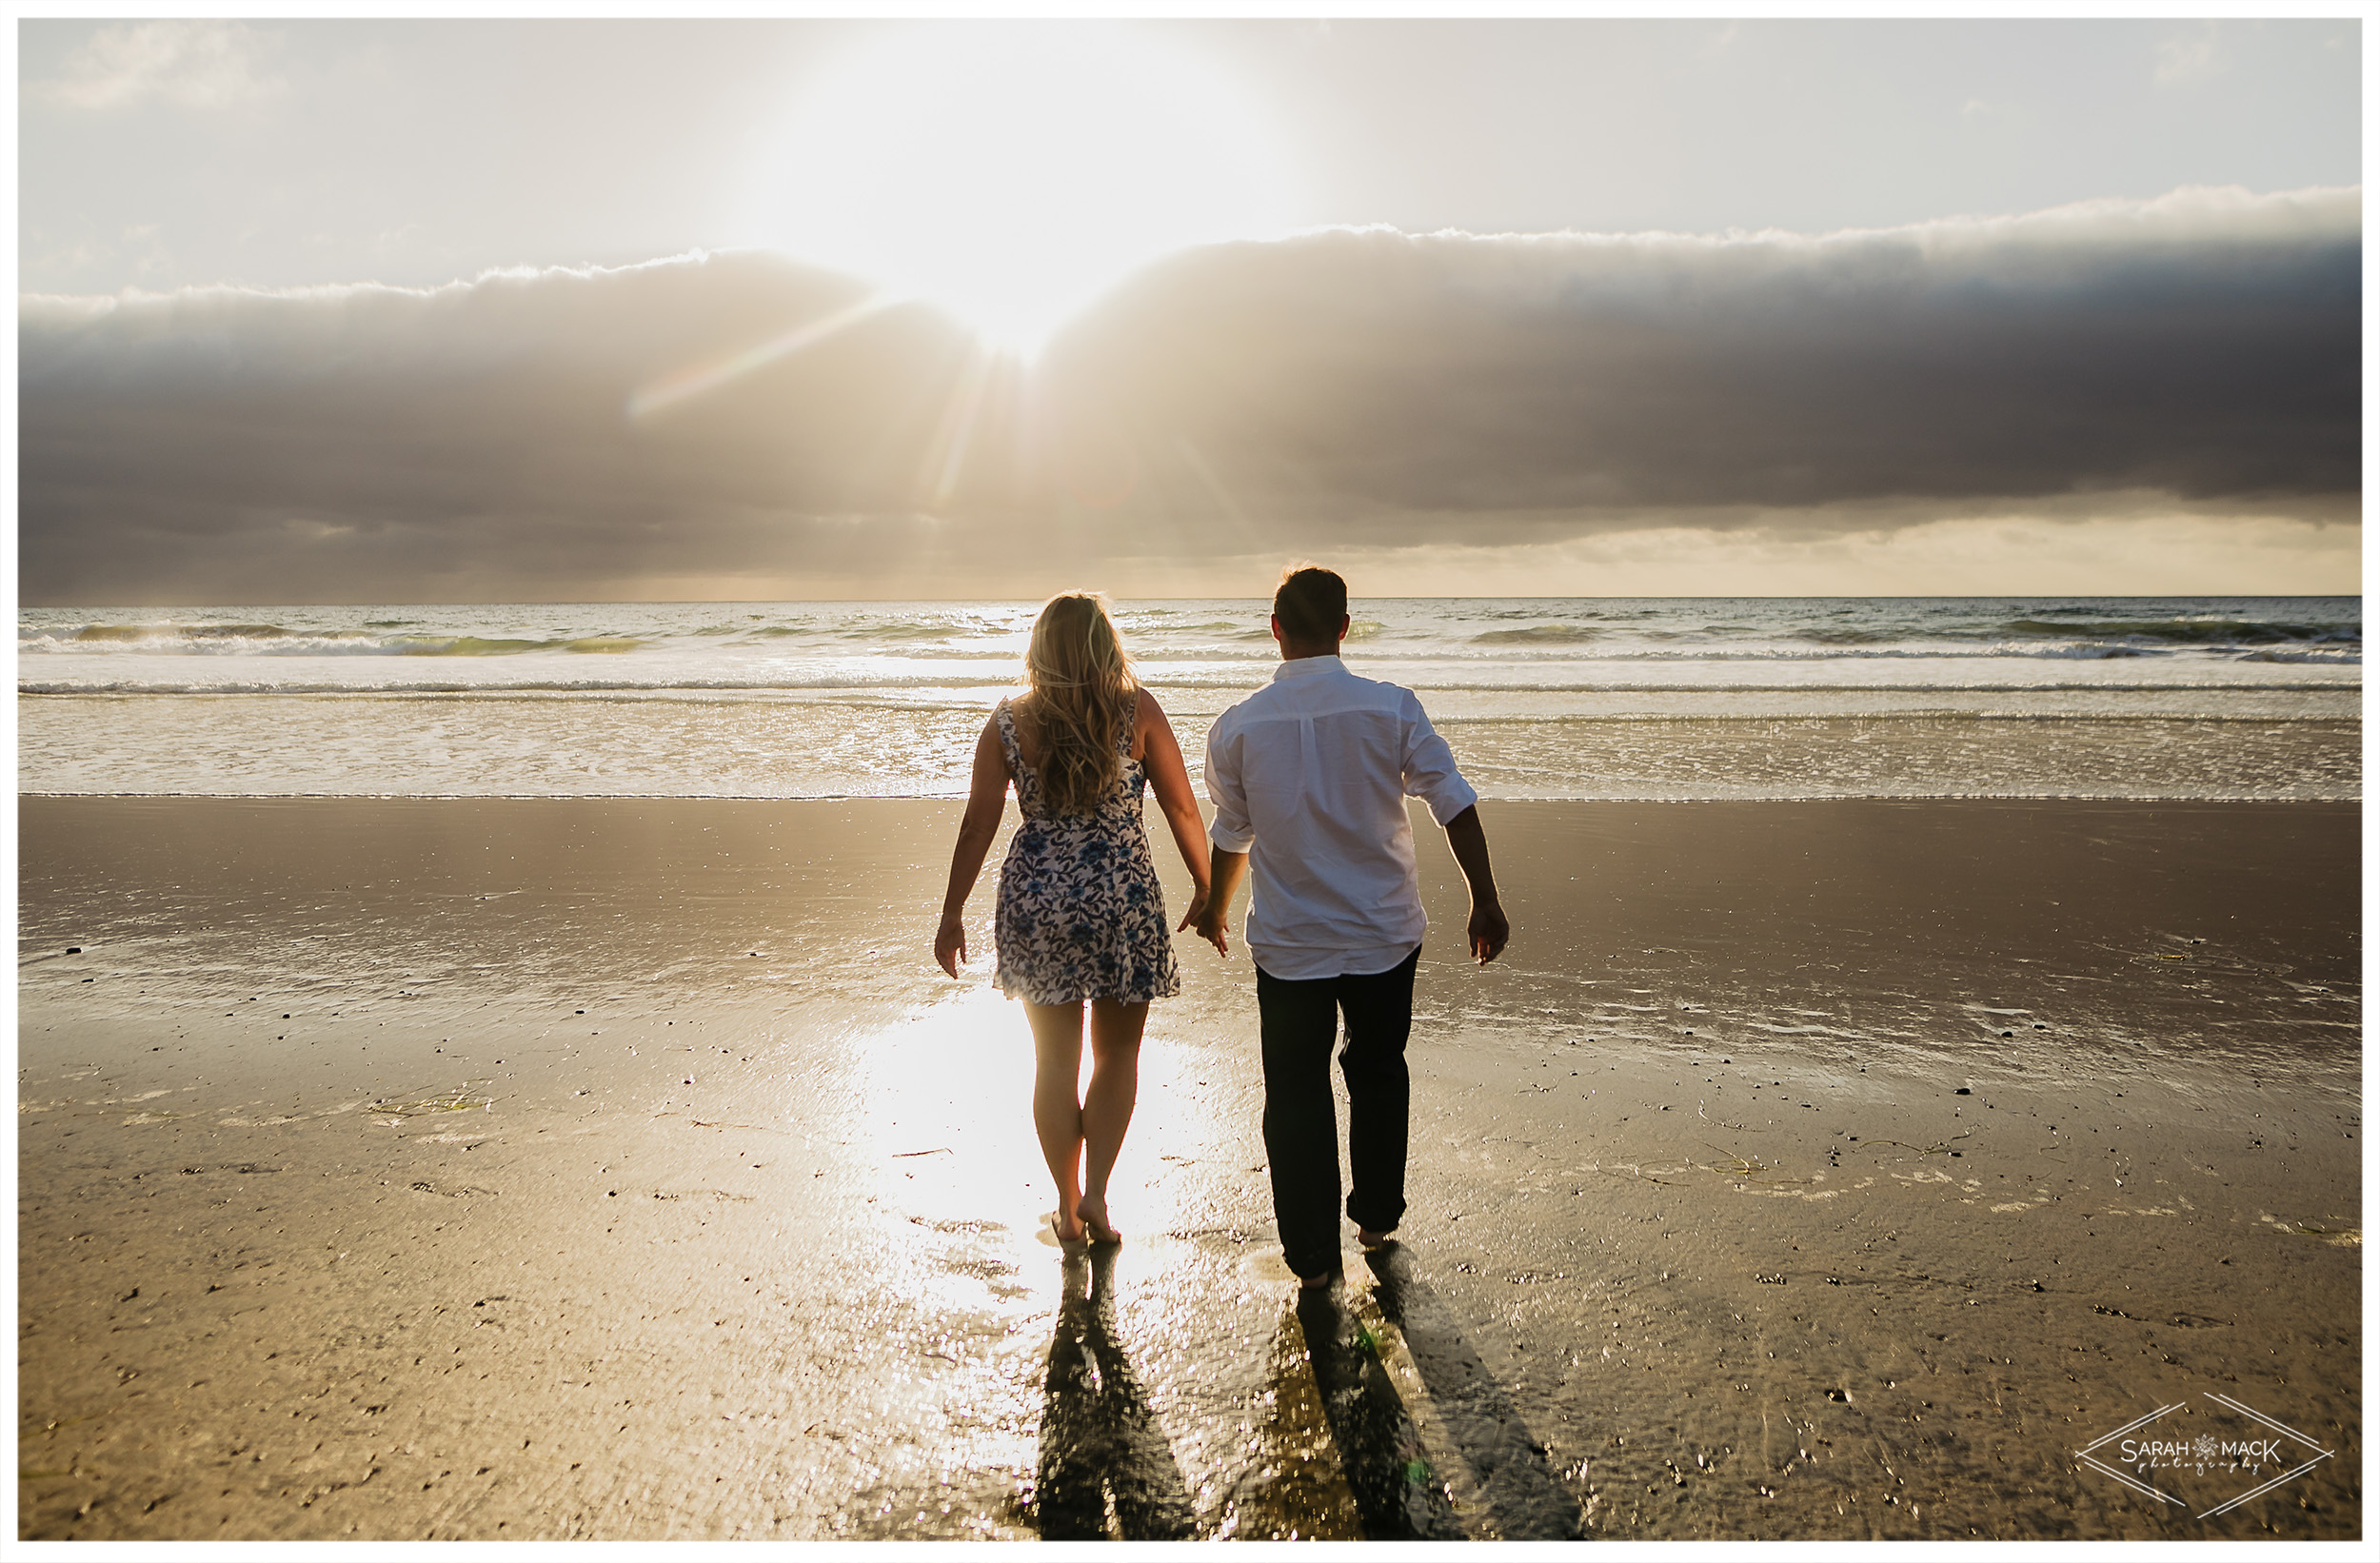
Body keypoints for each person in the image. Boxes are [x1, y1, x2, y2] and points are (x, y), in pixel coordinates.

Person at [1188, 565, 1507, 1289]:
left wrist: (1214, 906)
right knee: (1377, 1070)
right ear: (1344, 627)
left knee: (1295, 1091)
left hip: (1291, 941)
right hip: (1382, 932)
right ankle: (1375, 1217)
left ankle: (1312, 1258)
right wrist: (1483, 898)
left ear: (1275, 630)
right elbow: (1450, 802)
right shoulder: (1391, 710)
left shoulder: (1236, 728)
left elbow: (1233, 834)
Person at [937, 591, 1211, 1248]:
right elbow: (1180, 807)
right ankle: (1095, 1197)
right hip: (1121, 895)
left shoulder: (1008, 722)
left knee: (1053, 1061)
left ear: (1039, 648)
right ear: (1104, 645)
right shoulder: (1136, 711)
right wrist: (1208, 886)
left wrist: (951, 913)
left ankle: (1063, 1206)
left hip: (1037, 901)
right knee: (1118, 1052)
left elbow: (978, 823)